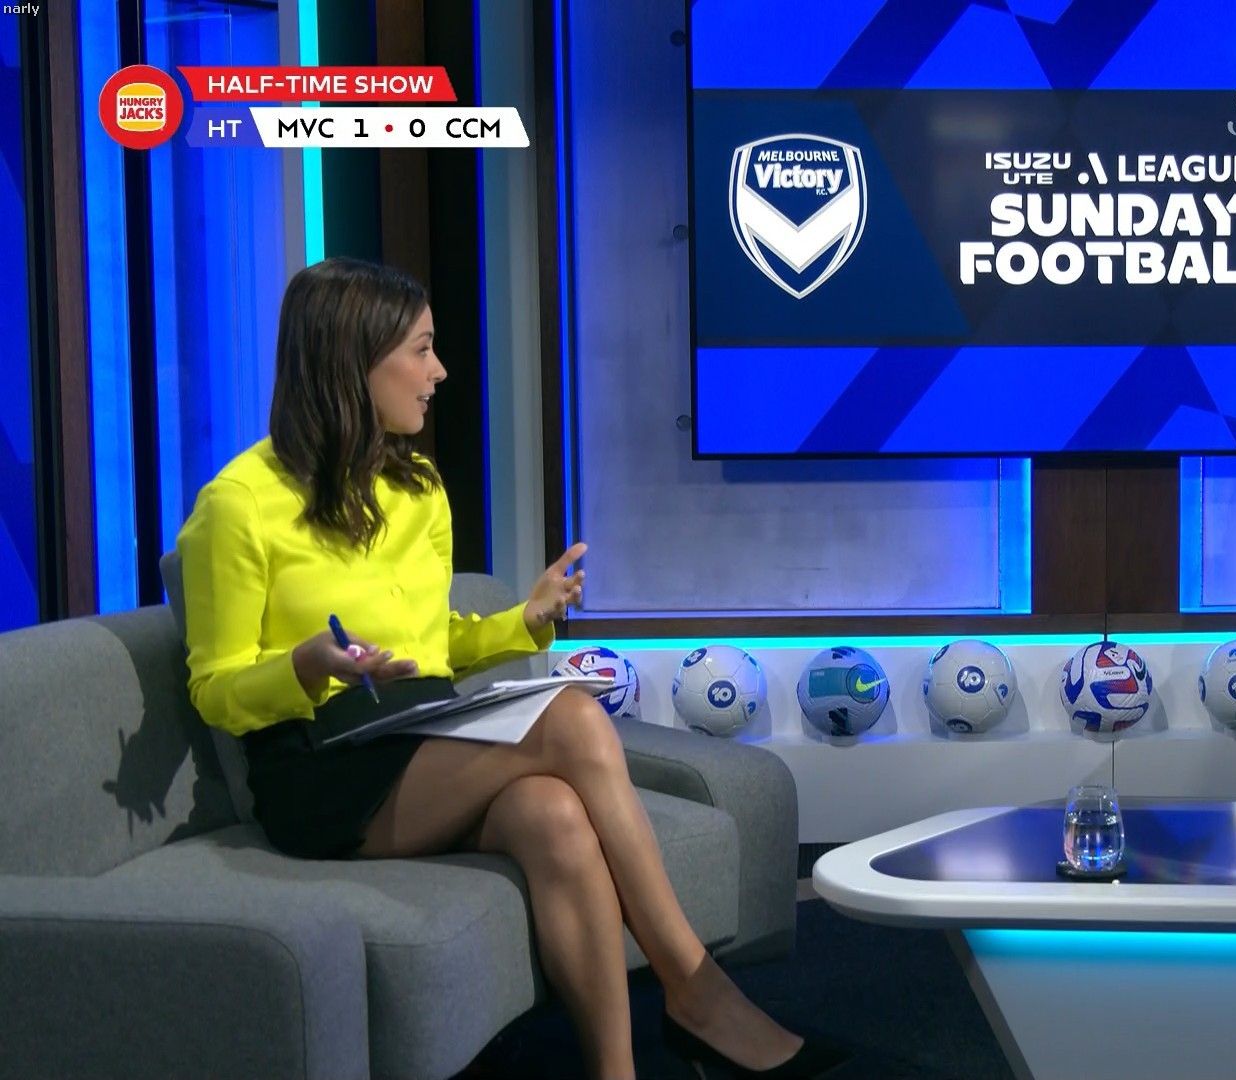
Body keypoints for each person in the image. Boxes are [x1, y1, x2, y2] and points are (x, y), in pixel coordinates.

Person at [176, 257, 845, 1080]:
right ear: (354, 361)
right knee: (570, 718)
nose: (439, 372)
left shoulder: (417, 488)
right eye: (421, 350)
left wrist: (521, 623)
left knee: (553, 816)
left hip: (420, 731)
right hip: (319, 769)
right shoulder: (237, 505)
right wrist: (305, 668)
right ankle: (697, 990)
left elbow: (431, 643)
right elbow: (215, 689)